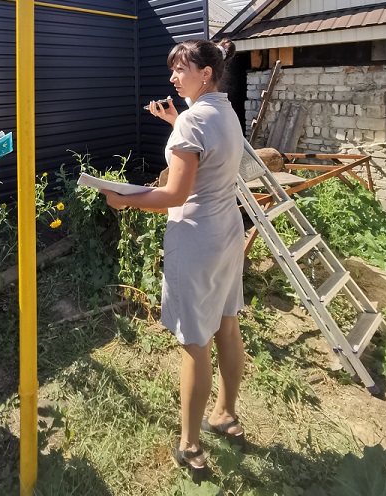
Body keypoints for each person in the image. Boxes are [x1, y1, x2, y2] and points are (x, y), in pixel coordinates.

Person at [101, 38, 245, 483]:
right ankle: (225, 413)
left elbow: (175, 194)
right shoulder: (224, 111)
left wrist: (126, 199)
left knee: (193, 342)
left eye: (180, 69)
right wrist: (176, 120)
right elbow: (204, 154)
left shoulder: (193, 123)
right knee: (226, 322)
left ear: (205, 73)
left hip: (195, 240)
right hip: (226, 233)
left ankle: (190, 444)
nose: (172, 77)